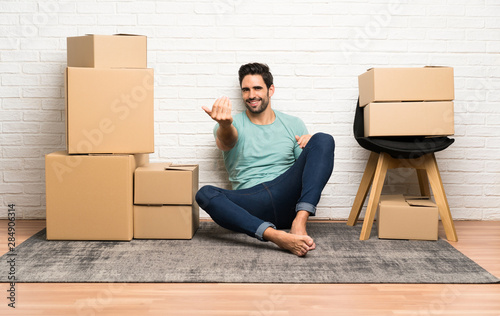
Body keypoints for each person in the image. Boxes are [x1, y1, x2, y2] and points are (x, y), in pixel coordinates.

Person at [196, 63, 334, 256]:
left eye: (257, 88)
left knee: (323, 139)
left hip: (286, 197)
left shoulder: (293, 124)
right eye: (246, 90)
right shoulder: (229, 124)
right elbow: (227, 141)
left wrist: (312, 146)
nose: (251, 95)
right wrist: (225, 125)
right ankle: (278, 237)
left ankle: (299, 222)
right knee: (205, 193)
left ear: (271, 90)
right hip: (251, 205)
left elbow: (310, 173)